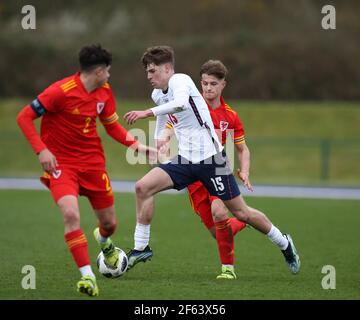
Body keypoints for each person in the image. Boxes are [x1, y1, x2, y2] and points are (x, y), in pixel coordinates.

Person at [124, 45, 300, 279]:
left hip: (212, 160)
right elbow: (165, 114)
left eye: (152, 71)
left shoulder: (181, 81)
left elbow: (179, 104)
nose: (149, 76)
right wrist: (159, 140)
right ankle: (141, 247)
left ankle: (283, 242)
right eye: (147, 71)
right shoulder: (158, 94)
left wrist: (145, 113)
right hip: (185, 160)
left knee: (241, 213)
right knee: (142, 187)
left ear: (167, 69)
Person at [16, 44, 156, 297]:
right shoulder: (59, 91)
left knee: (109, 224)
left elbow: (112, 127)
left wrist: (138, 146)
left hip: (93, 166)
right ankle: (88, 277)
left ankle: (104, 242)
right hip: (62, 166)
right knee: (70, 215)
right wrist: (42, 151)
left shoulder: (104, 92)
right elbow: (24, 117)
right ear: (100, 71)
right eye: (108, 71)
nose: (110, 76)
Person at [160, 60, 251, 279]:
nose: (208, 88)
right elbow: (168, 127)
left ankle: (228, 270)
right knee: (216, 231)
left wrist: (244, 170)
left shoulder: (230, 115)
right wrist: (163, 141)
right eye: (204, 83)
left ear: (223, 85)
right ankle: (244, 221)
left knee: (219, 212)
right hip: (192, 174)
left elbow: (242, 148)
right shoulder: (188, 105)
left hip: (216, 168)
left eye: (213, 84)